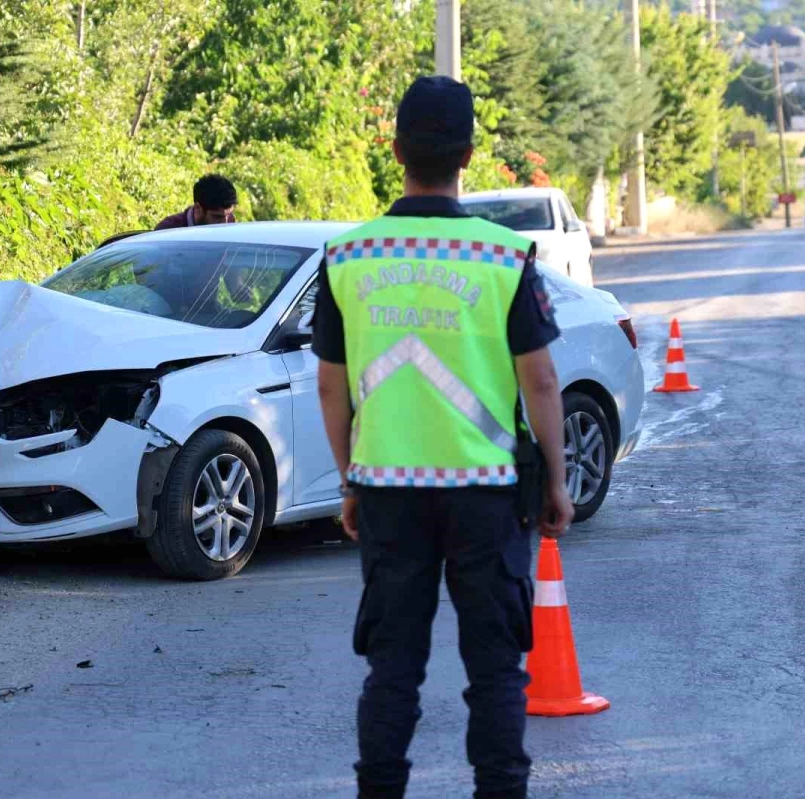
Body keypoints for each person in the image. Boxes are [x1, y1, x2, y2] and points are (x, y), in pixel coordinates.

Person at [311, 75, 575, 799]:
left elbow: (331, 386)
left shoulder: (346, 257)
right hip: (488, 495)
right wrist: (554, 480)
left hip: (389, 492)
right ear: (468, 154)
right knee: (495, 669)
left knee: (392, 668)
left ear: (395, 151)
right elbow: (542, 381)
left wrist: (349, 480)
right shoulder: (504, 257)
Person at [155, 174, 238, 230]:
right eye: (217, 217)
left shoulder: (230, 222)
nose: (225, 224)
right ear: (198, 208)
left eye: (228, 215)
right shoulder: (168, 230)